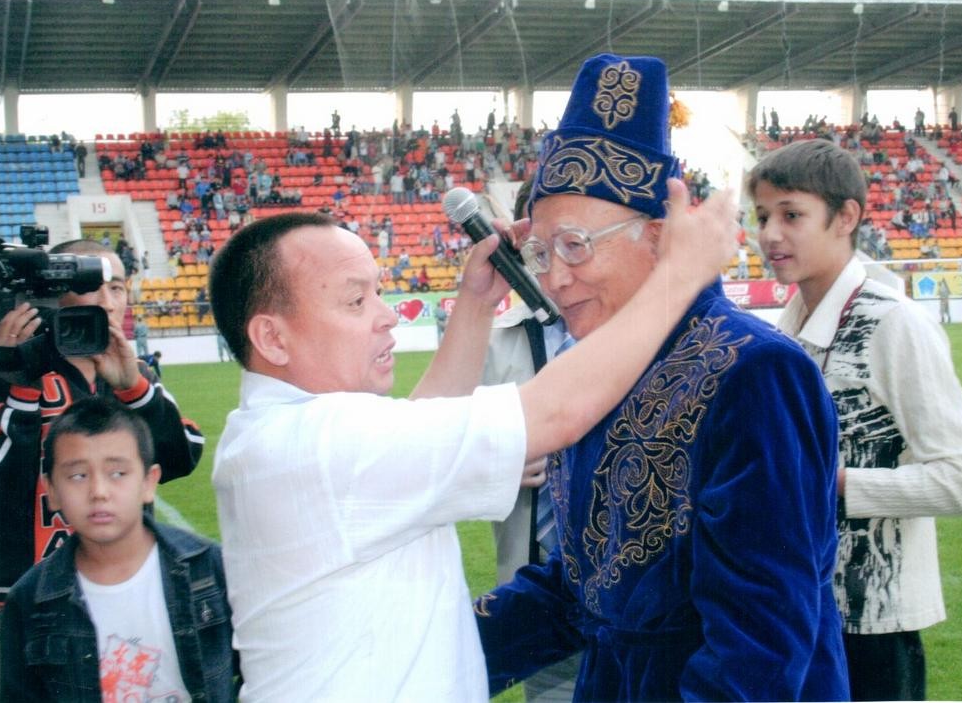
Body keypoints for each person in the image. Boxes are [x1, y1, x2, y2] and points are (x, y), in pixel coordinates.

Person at [207, 180, 736, 701]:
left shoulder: (292, 440)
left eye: (377, 293)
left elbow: (422, 424)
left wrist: (477, 302)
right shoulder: (318, 446)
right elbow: (554, 413)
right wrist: (678, 277)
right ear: (272, 338)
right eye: (355, 301)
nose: (386, 317)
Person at [476, 54, 847, 702]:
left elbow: (759, 647)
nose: (553, 278)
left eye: (574, 246)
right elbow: (580, 588)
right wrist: (428, 649)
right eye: (540, 252)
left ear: (656, 236)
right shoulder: (592, 370)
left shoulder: (755, 372)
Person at [751, 138, 962, 701]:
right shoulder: (787, 326)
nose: (769, 234)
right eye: (762, 216)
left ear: (846, 217)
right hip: (793, 612)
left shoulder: (894, 324)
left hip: (872, 626)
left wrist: (833, 485)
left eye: (791, 215)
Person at [0, 239, 203, 645]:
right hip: (13, 606)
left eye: (117, 288)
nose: (107, 302)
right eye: (90, 285)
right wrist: (17, 385)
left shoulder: (134, 375)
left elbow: (180, 457)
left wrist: (136, 390)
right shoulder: (4, 370)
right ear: (51, 291)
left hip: (118, 596)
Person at [0, 397, 237, 701]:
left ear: (149, 482)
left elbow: (264, 670)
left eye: (117, 473)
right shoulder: (29, 599)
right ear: (52, 491)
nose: (99, 492)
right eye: (78, 476)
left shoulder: (210, 568)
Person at [480, 179, 581, 702]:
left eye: (573, 243)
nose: (556, 266)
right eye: (538, 248)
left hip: (642, 601)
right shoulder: (492, 345)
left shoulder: (646, 337)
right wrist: (491, 466)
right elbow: (437, 456)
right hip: (539, 589)